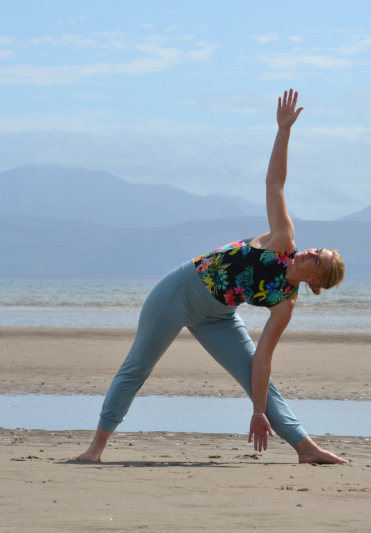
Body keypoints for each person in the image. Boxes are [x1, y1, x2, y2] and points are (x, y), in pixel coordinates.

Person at [77, 89, 348, 464]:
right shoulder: (282, 240)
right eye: (315, 250)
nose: (308, 253)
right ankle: (96, 448)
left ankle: (306, 449)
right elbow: (275, 185)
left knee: (262, 384)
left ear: (315, 281)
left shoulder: (284, 303)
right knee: (137, 366)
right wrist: (283, 130)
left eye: (316, 260)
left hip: (217, 316)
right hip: (178, 292)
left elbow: (262, 362)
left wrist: (257, 412)